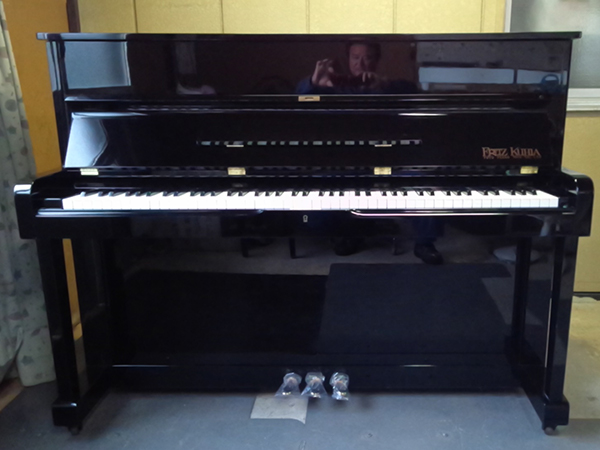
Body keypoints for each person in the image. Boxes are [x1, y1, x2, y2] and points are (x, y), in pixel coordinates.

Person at [296, 41, 417, 95]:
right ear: (348, 58)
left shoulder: (387, 86)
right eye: (355, 57)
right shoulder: (334, 87)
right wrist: (313, 82)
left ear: (376, 60)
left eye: (367, 58)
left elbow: (413, 91)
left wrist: (384, 84)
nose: (360, 64)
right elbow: (299, 98)